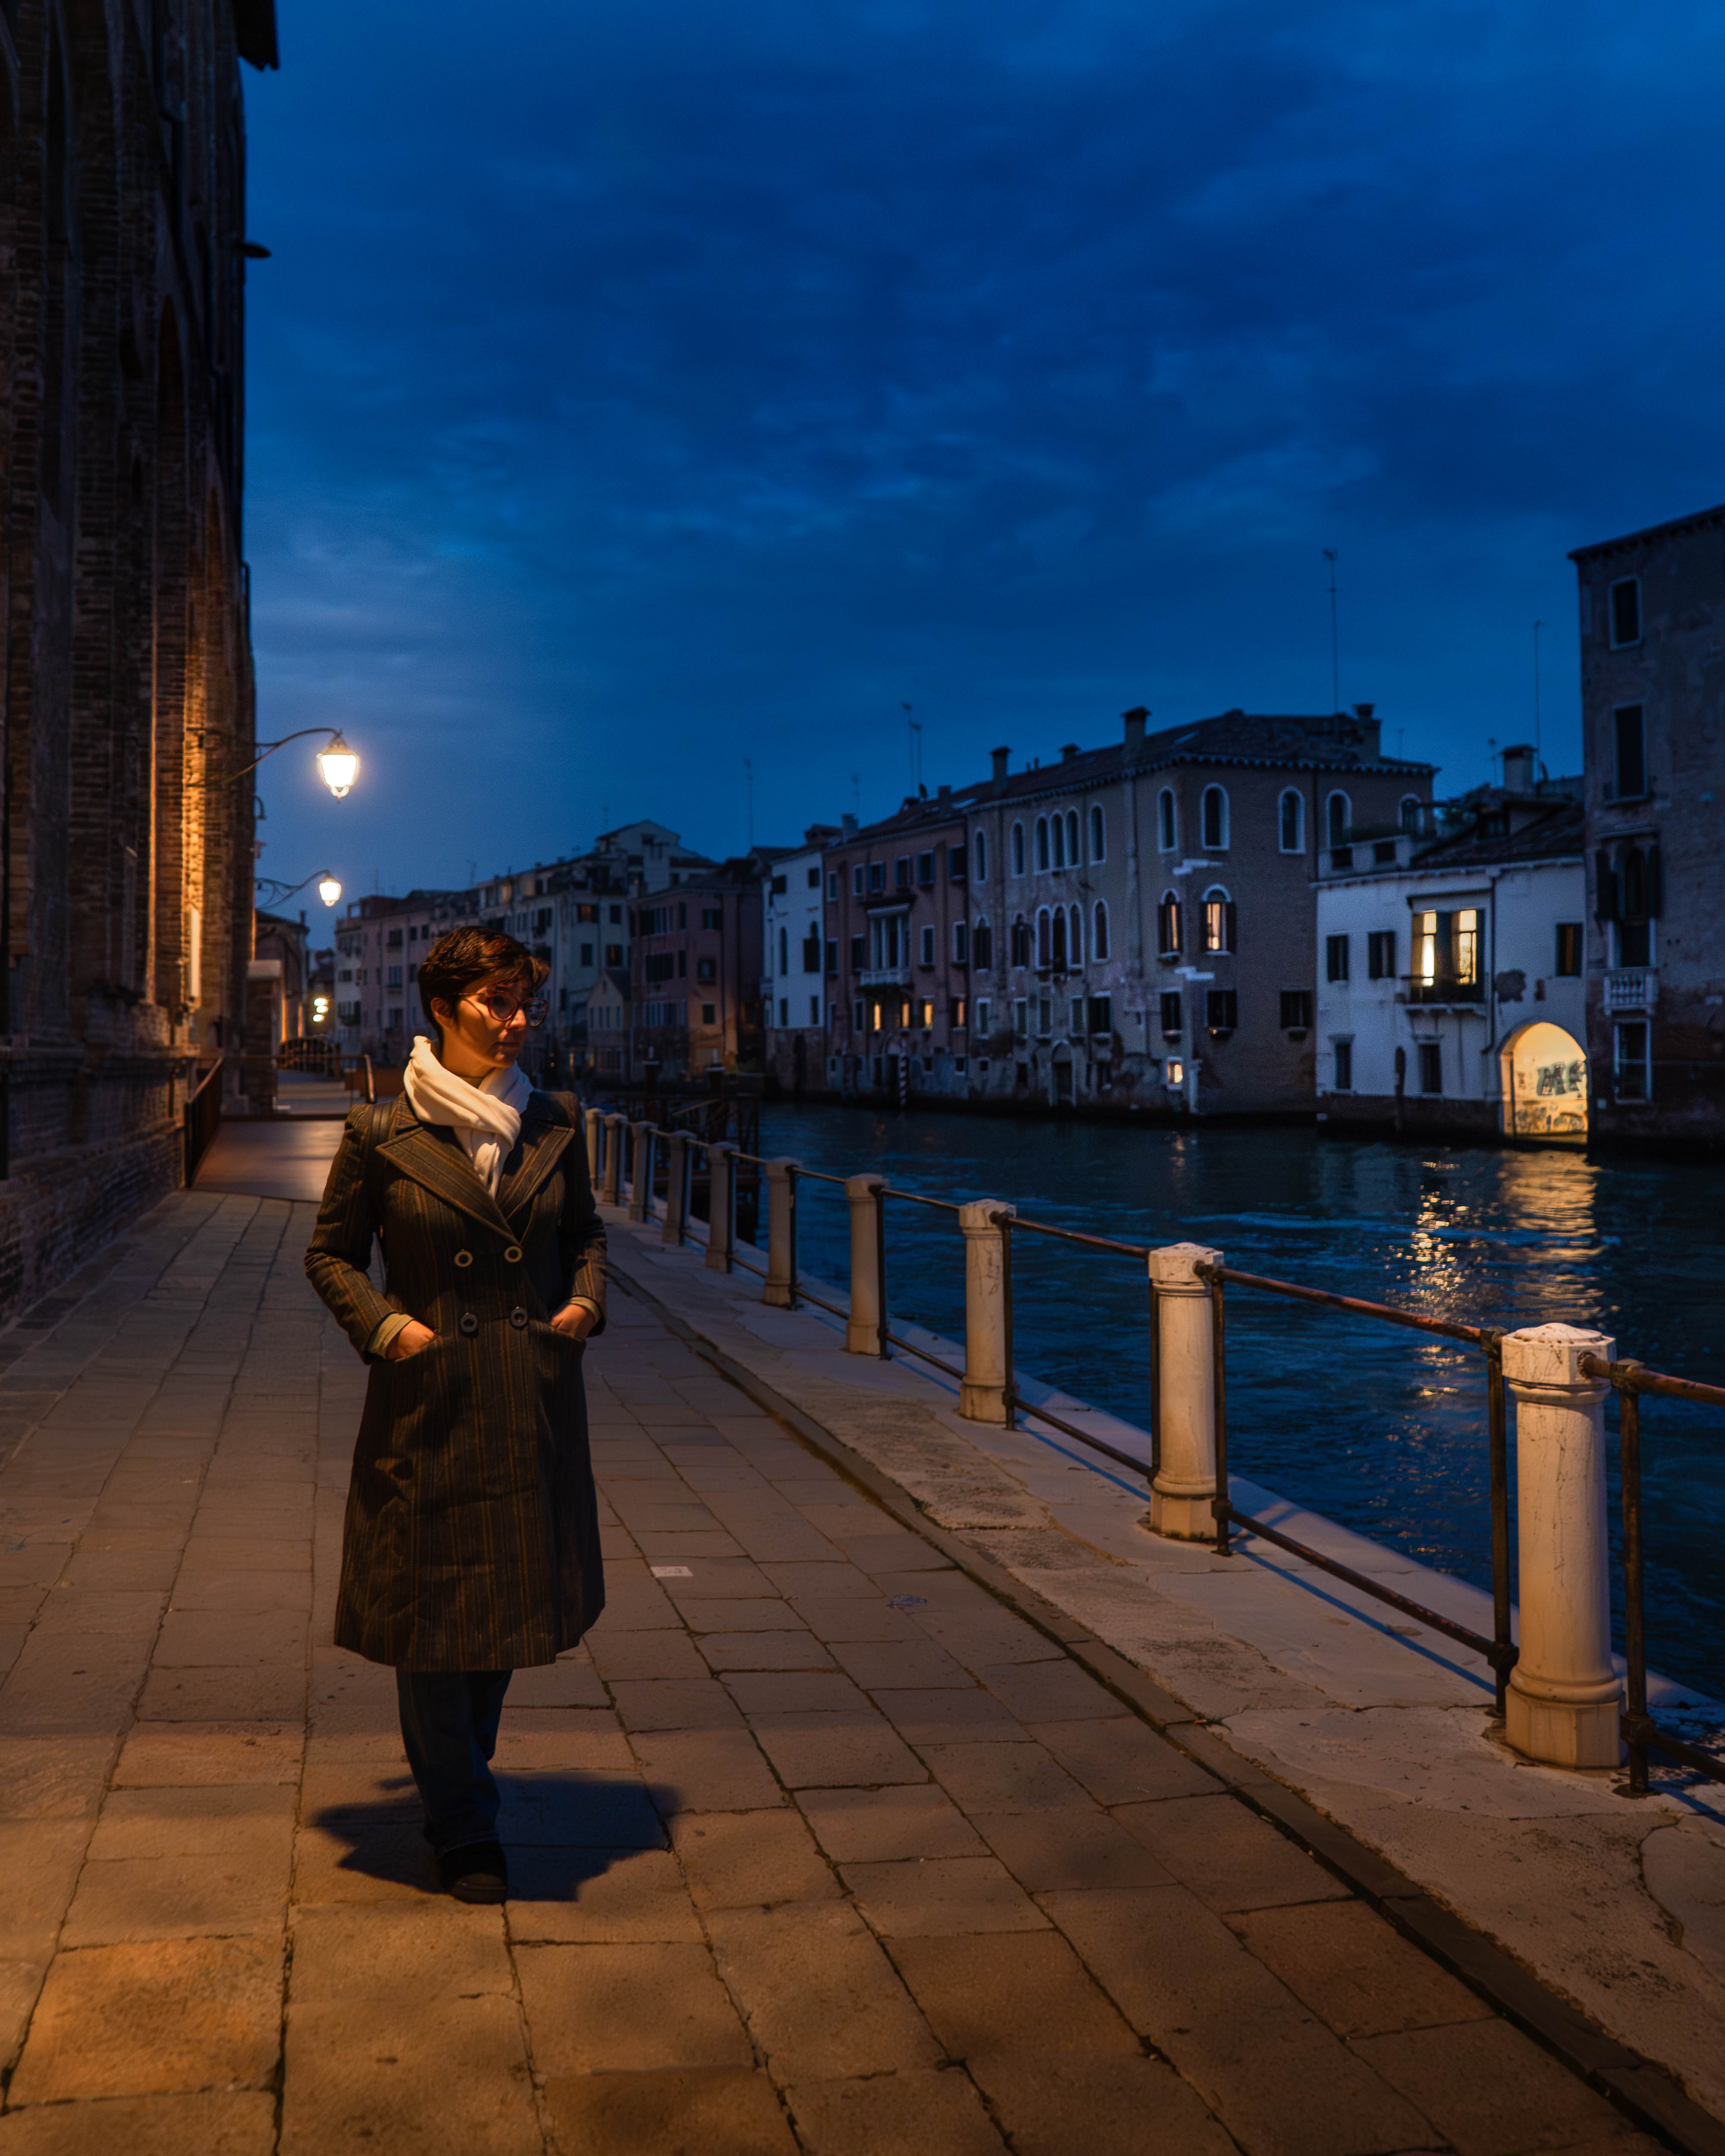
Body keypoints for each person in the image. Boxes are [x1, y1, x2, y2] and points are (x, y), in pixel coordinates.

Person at [305, 926, 606, 1902]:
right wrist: (388, 1329)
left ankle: (462, 1773)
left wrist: (584, 1304)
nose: (516, 1023)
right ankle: (461, 1817)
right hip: (428, 1400)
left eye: (525, 1004)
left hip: (528, 1394)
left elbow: (587, 1236)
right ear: (444, 1008)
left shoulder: (555, 1120)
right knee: (435, 1615)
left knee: (506, 1609)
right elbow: (331, 1255)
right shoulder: (379, 1133)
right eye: (495, 1004)